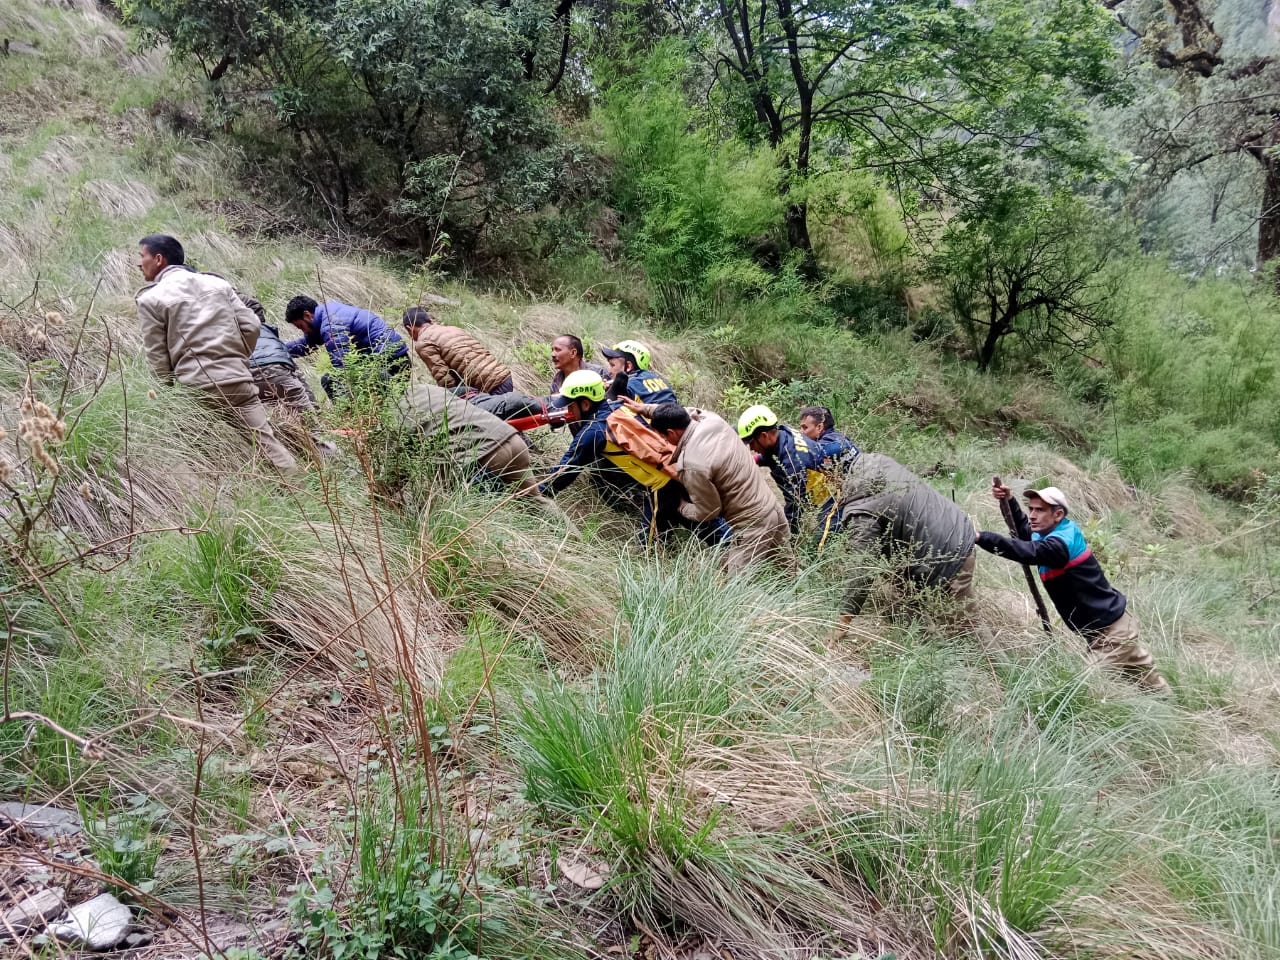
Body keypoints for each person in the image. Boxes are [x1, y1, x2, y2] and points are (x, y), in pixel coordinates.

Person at [976, 483, 1169, 692]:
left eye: (1039, 510)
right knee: (1153, 687)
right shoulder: (1047, 533)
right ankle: (1173, 710)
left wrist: (980, 537)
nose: (1032, 515)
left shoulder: (1061, 543)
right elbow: (1024, 533)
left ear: (1058, 514)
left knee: (1084, 691)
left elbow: (1026, 551)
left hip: (1112, 634)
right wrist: (1010, 502)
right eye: (1030, 508)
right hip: (1115, 626)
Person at [134, 234, 298, 475]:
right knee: (269, 446)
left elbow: (157, 355)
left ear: (158, 259)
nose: (140, 263)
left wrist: (166, 390)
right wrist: (239, 357)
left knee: (182, 450)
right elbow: (252, 326)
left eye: (142, 256)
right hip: (238, 380)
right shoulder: (218, 285)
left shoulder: (150, 299)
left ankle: (204, 499)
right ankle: (299, 493)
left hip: (195, 388)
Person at [539, 372, 727, 544]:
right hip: (677, 469)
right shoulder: (620, 405)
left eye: (570, 404)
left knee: (650, 544)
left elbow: (567, 469)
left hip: (661, 487)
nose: (567, 410)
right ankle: (737, 546)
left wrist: (538, 493)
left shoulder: (593, 432)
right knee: (704, 526)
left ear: (585, 403)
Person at [641, 402, 789, 574]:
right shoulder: (712, 420)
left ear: (672, 433)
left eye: (664, 437)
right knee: (787, 567)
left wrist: (682, 507)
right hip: (772, 507)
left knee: (735, 584)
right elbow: (689, 411)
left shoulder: (691, 464)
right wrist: (646, 409)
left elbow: (710, 510)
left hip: (753, 523)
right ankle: (799, 597)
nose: (665, 441)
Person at [835, 452, 977, 622]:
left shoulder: (860, 509)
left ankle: (991, 648)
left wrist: (844, 620)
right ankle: (924, 638)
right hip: (954, 531)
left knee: (966, 630)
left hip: (949, 555)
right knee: (907, 610)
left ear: (834, 476)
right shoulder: (877, 463)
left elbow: (863, 568)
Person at [397, 383, 551, 504]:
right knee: (537, 502)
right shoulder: (426, 388)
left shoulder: (396, 411)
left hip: (483, 456)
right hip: (511, 439)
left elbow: (395, 469)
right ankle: (572, 539)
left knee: (456, 511)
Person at [284, 296, 410, 400]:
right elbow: (307, 344)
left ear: (307, 315)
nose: (303, 331)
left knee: (330, 382)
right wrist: (279, 349)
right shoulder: (327, 315)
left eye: (301, 326)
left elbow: (342, 367)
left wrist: (345, 408)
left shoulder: (331, 325)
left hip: (390, 363)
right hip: (388, 359)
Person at [738, 404, 830, 536]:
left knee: (818, 542)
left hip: (825, 503)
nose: (751, 448)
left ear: (764, 436)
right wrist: (756, 460)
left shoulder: (792, 463)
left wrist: (786, 537)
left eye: (752, 443)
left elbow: (796, 506)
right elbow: (773, 453)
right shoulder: (783, 433)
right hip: (812, 491)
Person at [402, 306, 513, 395]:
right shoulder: (453, 329)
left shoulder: (423, 342)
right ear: (429, 320)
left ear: (409, 328)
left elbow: (443, 377)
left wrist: (454, 399)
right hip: (504, 376)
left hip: (489, 386)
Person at [600, 340, 677, 404]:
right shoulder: (661, 379)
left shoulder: (628, 384)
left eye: (612, 365)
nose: (609, 371)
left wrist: (603, 391)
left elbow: (605, 410)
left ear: (628, 366)